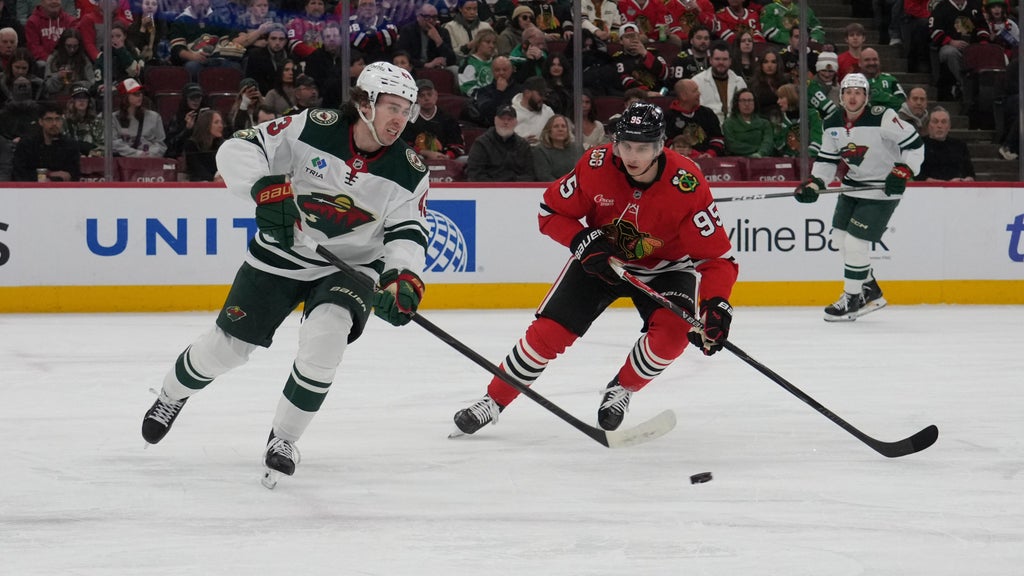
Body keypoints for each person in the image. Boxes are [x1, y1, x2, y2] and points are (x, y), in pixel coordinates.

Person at [140, 61, 429, 488]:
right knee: (226, 349)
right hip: (283, 251)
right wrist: (265, 189)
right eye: (392, 107)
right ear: (365, 103)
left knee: (327, 337)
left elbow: (408, 232)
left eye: (406, 110)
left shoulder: (410, 170)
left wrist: (401, 276)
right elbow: (239, 148)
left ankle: (284, 438)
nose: (399, 119)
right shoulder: (315, 126)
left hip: (350, 266)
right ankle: (171, 395)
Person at [451, 101, 738, 436]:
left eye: (643, 148)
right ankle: (493, 400)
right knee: (548, 334)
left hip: (666, 267)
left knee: (673, 335)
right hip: (602, 260)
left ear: (660, 146)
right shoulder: (596, 165)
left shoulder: (686, 183)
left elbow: (717, 259)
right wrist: (581, 239)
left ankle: (622, 388)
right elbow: (550, 212)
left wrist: (716, 304)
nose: (632, 156)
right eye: (626, 145)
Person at [795, 73, 924, 322]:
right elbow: (827, 160)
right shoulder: (831, 122)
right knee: (839, 239)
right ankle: (870, 290)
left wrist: (904, 170)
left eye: (858, 92)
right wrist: (815, 183)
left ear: (866, 97)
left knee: (855, 244)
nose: (853, 97)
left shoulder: (883, 116)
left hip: (882, 189)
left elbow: (915, 144)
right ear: (841, 96)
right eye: (848, 92)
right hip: (852, 187)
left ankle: (852, 300)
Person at [12, 100, 80, 181]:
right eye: (49, 119)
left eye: (57, 119)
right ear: (40, 122)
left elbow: (74, 174)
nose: (54, 123)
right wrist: (47, 175)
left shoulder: (70, 145)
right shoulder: (27, 144)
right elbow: (19, 173)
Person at [466, 103, 536, 181]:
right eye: (502, 119)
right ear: (495, 120)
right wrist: (498, 184)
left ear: (516, 122)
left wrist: (512, 183)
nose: (505, 122)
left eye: (509, 119)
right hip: (489, 187)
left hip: (516, 187)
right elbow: (474, 174)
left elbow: (529, 175)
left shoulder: (523, 145)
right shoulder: (481, 144)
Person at [401, 77, 465, 160]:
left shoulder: (448, 118)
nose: (426, 98)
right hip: (418, 158)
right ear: (415, 98)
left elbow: (458, 145)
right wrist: (424, 153)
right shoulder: (409, 119)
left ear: (436, 95)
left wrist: (447, 156)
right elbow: (403, 145)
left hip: (446, 158)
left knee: (465, 160)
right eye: (422, 95)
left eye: (429, 94)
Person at [692, 41, 747, 125]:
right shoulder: (697, 81)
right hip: (707, 126)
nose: (721, 62)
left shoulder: (739, 82)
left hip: (736, 126)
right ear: (710, 60)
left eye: (725, 59)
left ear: (730, 61)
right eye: (717, 59)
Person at [112, 78, 167, 158]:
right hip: (124, 161)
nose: (140, 96)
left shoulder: (155, 117)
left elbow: (161, 144)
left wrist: (150, 154)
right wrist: (136, 154)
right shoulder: (113, 118)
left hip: (149, 160)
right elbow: (113, 143)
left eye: (141, 93)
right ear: (125, 97)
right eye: (135, 94)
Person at [917, 106, 975, 181]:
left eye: (943, 122)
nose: (939, 126)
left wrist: (966, 180)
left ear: (949, 126)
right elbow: (916, 174)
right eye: (935, 122)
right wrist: (939, 183)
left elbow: (970, 174)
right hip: (928, 187)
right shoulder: (919, 145)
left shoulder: (960, 145)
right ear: (928, 125)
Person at [722, 88, 774, 157]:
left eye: (750, 100)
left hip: (762, 158)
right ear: (737, 103)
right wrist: (757, 149)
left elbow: (768, 142)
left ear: (754, 103)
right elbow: (731, 145)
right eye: (743, 101)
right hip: (736, 159)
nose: (747, 104)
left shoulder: (765, 123)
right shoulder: (728, 123)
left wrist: (760, 153)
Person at [531, 113, 583, 181]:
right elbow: (544, 176)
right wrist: (563, 186)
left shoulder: (577, 149)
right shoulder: (540, 151)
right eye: (556, 126)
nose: (560, 129)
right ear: (549, 131)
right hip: (553, 186)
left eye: (563, 126)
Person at [511, 75, 555, 145]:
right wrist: (521, 143)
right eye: (540, 94)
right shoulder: (510, 113)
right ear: (527, 93)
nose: (544, 98)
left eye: (545, 94)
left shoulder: (548, 112)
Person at [183, 108, 225, 182]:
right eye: (216, 122)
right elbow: (197, 169)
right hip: (200, 184)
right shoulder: (192, 145)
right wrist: (213, 179)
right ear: (206, 125)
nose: (220, 126)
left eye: (221, 122)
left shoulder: (223, 145)